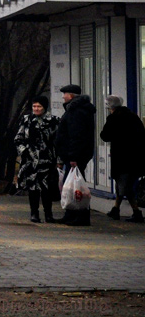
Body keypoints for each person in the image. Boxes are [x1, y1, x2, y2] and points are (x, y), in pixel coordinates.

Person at [99, 94, 145, 223]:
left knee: (124, 185)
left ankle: (136, 212)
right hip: (135, 156)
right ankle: (116, 208)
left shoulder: (114, 119)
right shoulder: (133, 117)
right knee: (124, 183)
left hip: (121, 156)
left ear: (109, 106)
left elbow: (105, 136)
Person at [54, 84, 96, 226]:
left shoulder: (76, 111)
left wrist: (73, 156)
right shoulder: (80, 109)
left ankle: (80, 215)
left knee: (76, 186)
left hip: (76, 156)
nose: (63, 97)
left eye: (65, 94)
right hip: (76, 154)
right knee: (71, 185)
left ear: (71, 96)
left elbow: (76, 135)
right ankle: (71, 214)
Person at [14, 96, 60, 222]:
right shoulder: (27, 120)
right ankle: (34, 213)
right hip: (30, 160)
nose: (36, 109)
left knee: (47, 188)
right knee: (33, 187)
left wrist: (58, 159)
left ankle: (48, 214)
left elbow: (58, 141)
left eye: (39, 106)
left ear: (44, 107)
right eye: (34, 106)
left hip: (47, 159)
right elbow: (18, 138)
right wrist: (24, 151)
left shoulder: (54, 121)